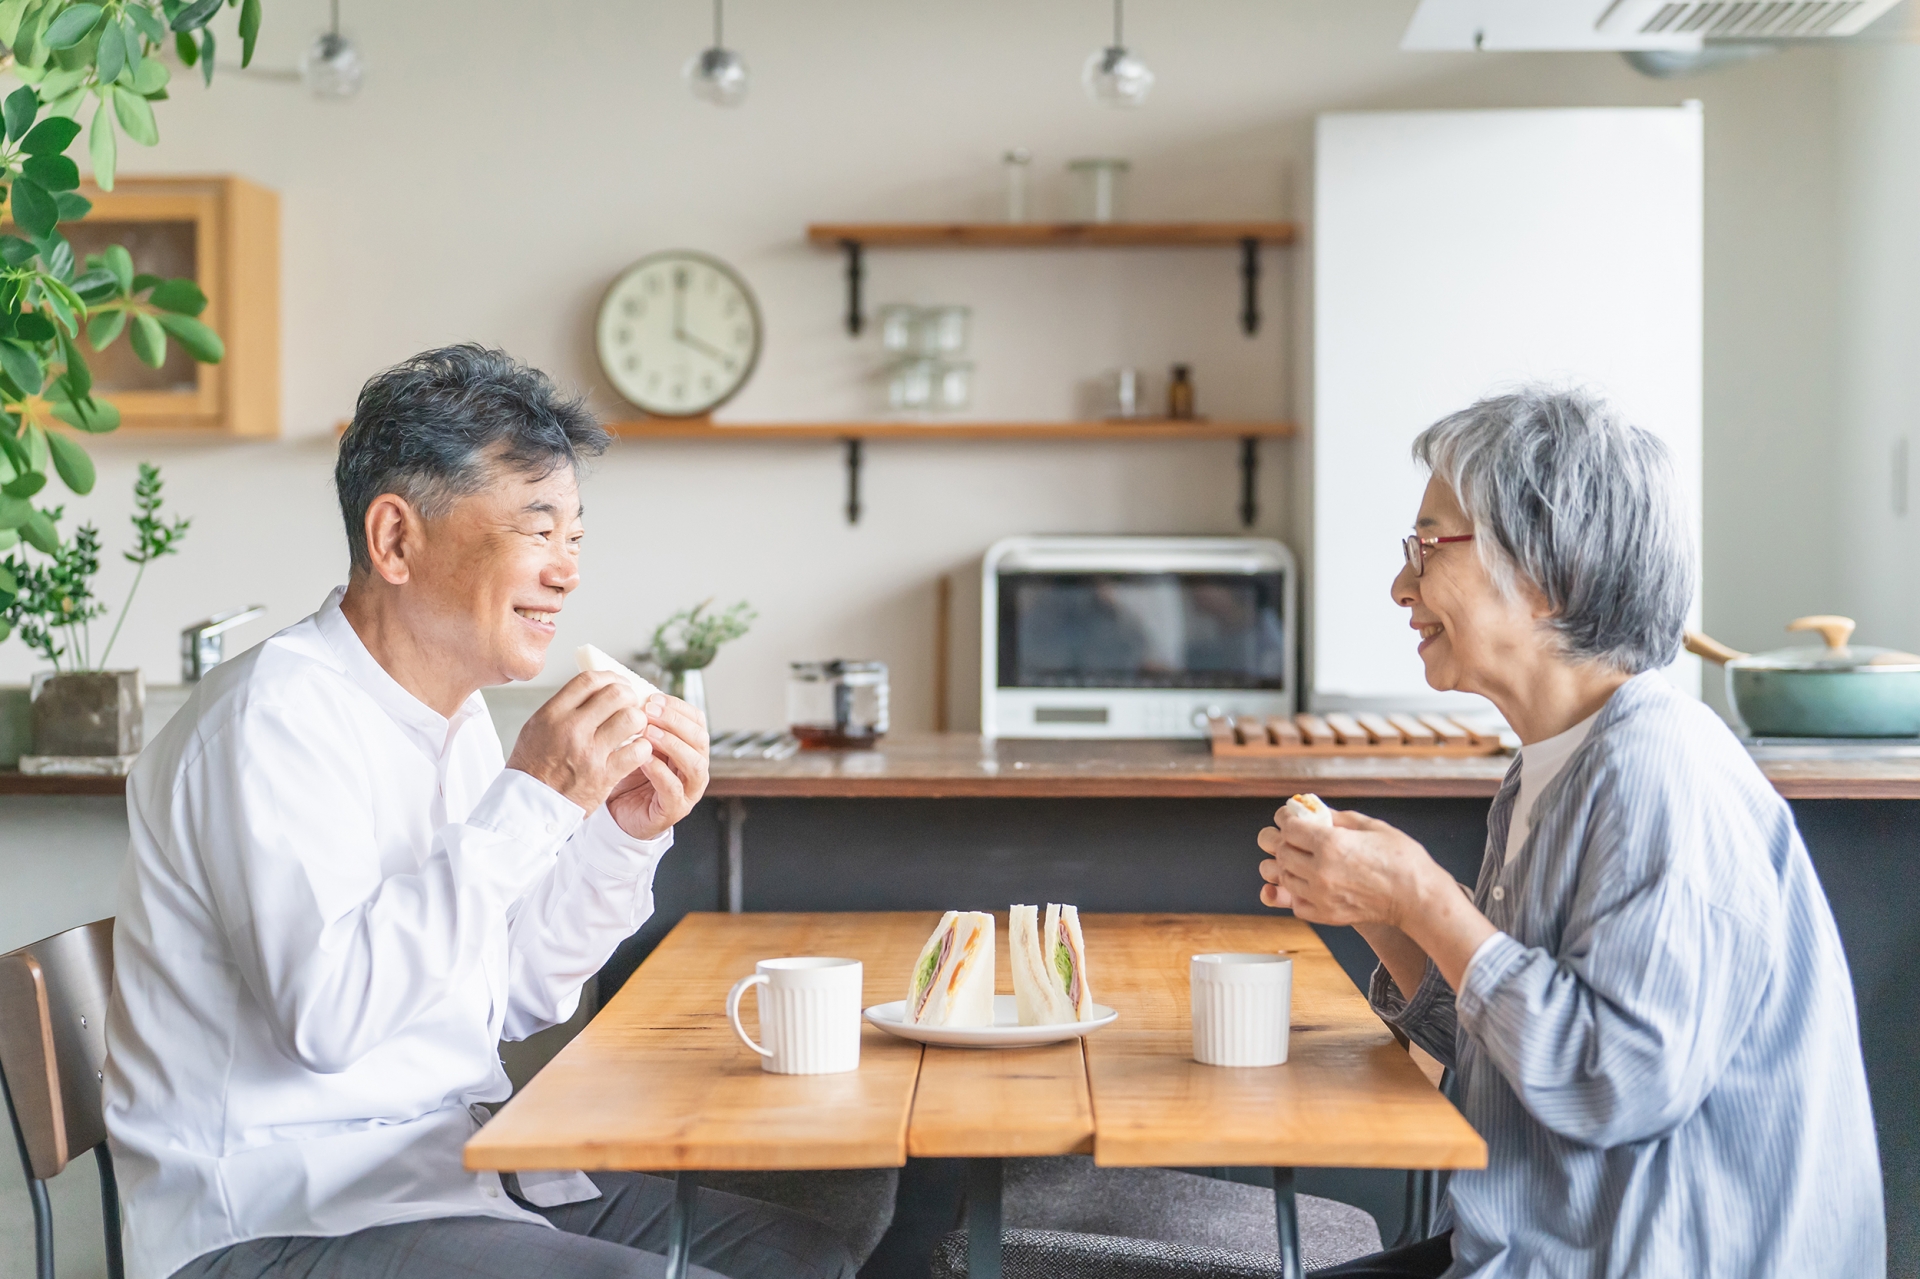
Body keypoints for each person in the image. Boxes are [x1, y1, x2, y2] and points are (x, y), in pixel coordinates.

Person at [105, 346, 872, 1279]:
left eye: (576, 537)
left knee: (802, 1253)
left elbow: (518, 995)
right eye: (536, 529)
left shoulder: (458, 717)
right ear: (395, 540)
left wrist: (620, 834)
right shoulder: (273, 717)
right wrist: (537, 798)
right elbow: (328, 1020)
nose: (566, 572)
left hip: (448, 1176)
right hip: (282, 1219)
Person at [1259, 388, 1884, 1277]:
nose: (1402, 584)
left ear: (1552, 574)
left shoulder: (1656, 772)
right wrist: (1376, 907)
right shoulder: (1545, 771)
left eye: (1428, 546)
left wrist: (1424, 895)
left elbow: (1610, 1080)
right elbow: (1507, 1058)